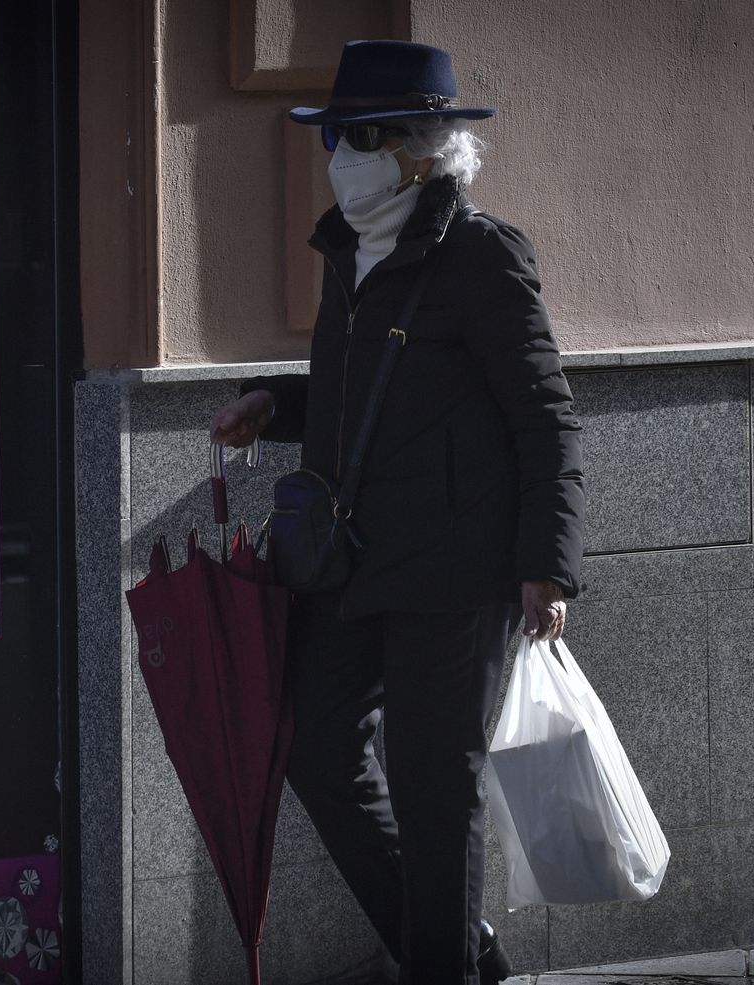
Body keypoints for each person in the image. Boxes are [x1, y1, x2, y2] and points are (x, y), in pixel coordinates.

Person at [208, 40, 586, 985]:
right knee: (316, 747)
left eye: (363, 134)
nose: (341, 152)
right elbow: (364, 392)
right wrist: (275, 405)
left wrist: (548, 560)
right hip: (353, 561)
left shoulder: (482, 256)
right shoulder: (349, 252)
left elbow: (546, 417)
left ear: (426, 147)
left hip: (457, 574)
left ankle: (439, 970)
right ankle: (459, 954)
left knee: (432, 788)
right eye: (334, 133)